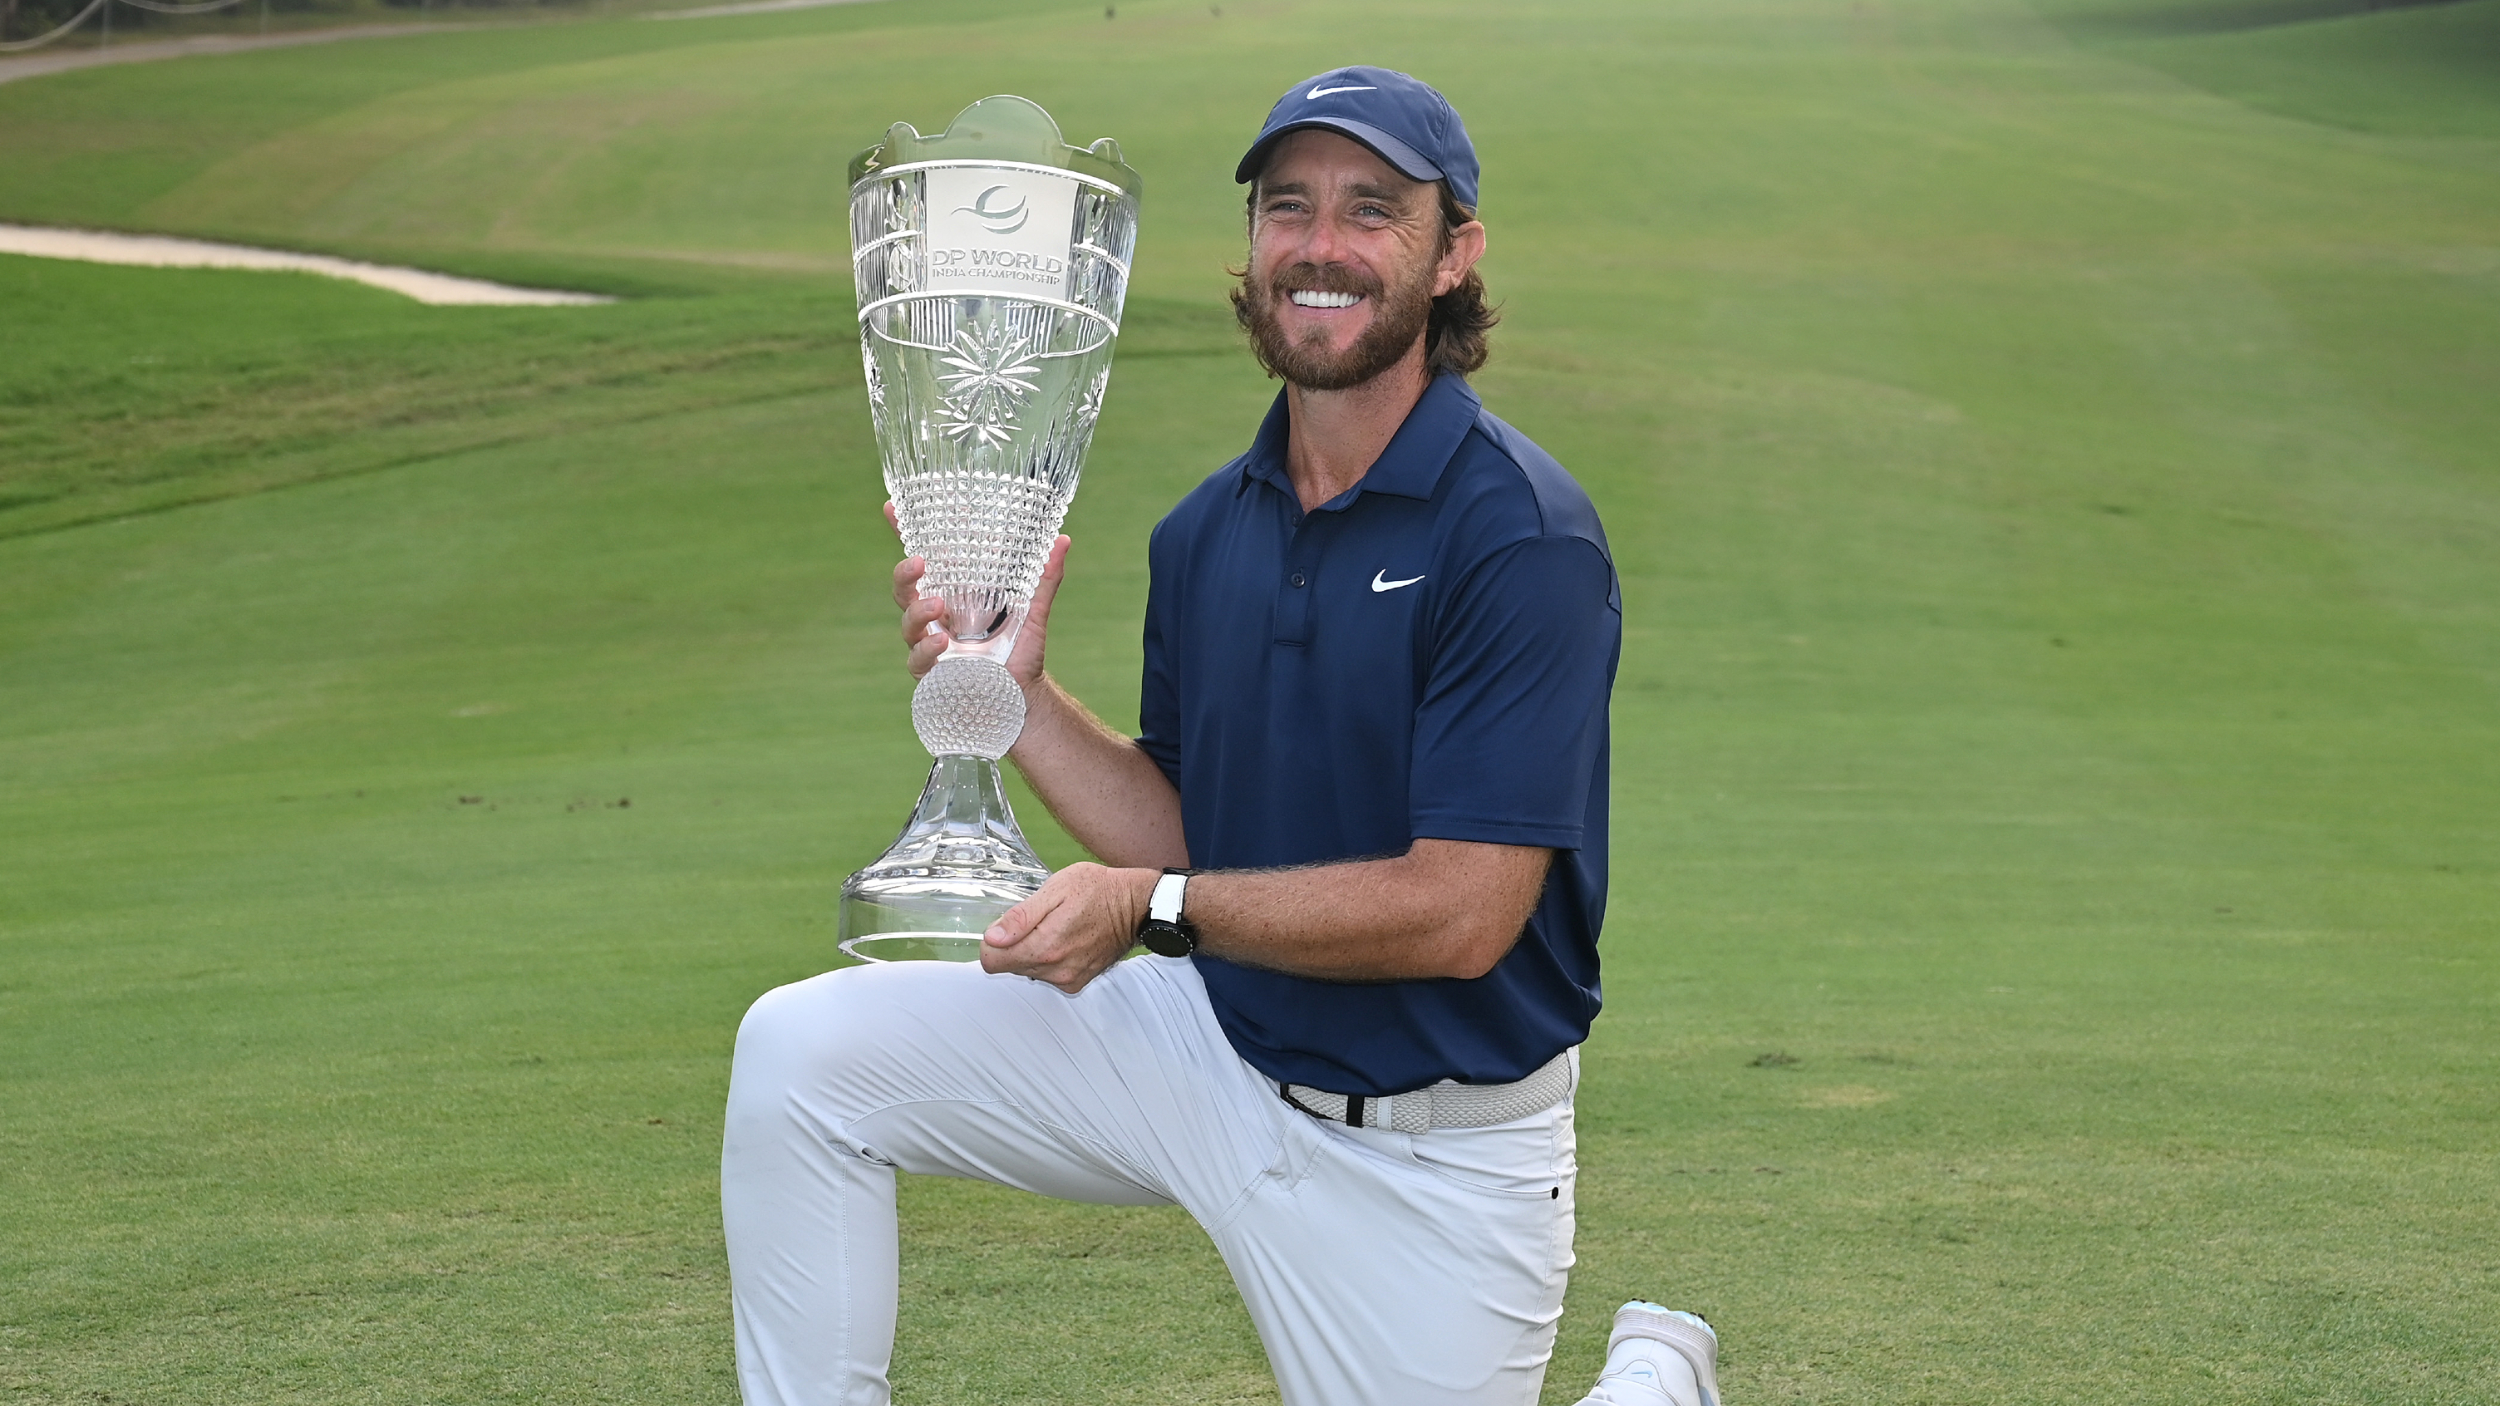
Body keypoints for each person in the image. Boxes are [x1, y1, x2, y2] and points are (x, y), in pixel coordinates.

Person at [721, 67, 1722, 1406]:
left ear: (1453, 255)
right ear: (1252, 246)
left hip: (1433, 1153)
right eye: (1287, 206)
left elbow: (1463, 912)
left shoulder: (1520, 535)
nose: (1320, 245)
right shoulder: (1205, 533)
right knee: (801, 1057)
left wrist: (1151, 907)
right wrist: (1015, 699)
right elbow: (1195, 833)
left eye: (1372, 209)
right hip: (1212, 1051)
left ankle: (1654, 1379)